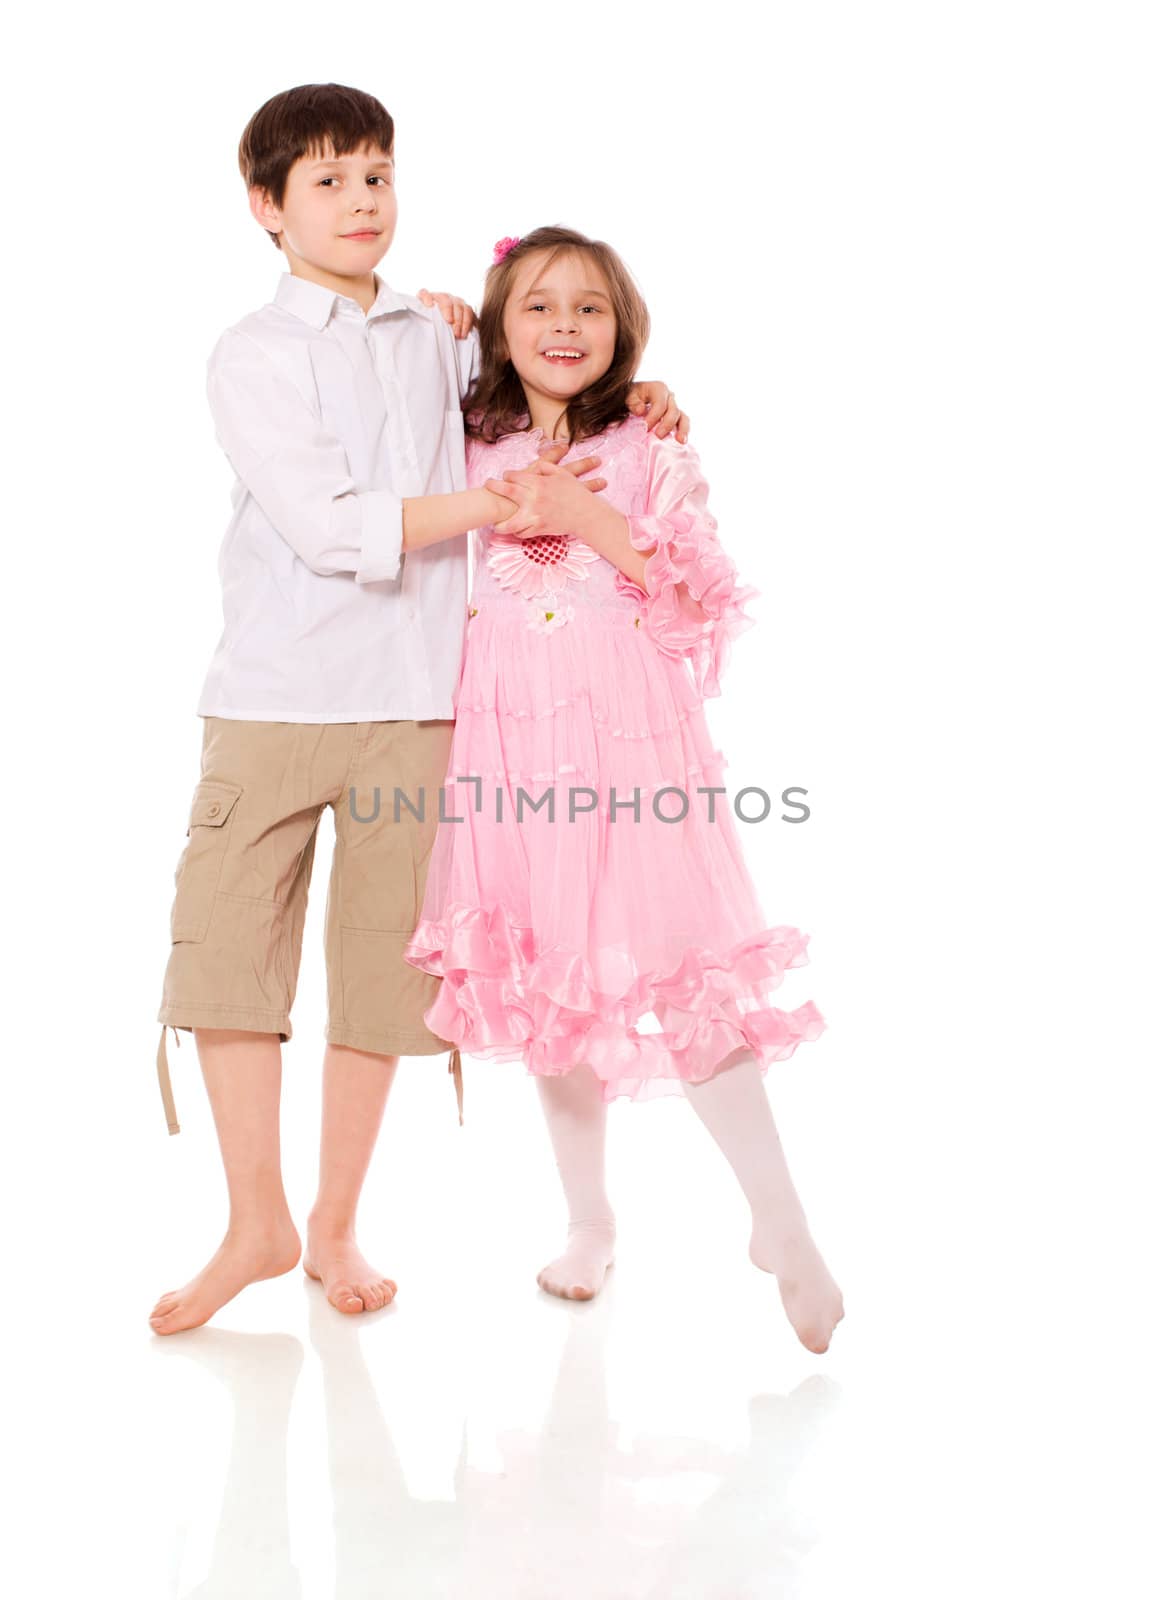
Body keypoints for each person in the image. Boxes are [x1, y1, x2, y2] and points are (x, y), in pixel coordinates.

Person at [149, 89, 684, 1336]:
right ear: (266, 207)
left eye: (378, 176)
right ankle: (254, 1222)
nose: (361, 201)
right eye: (329, 182)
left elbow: (553, 390)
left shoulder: (444, 337)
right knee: (229, 962)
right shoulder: (253, 353)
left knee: (385, 983)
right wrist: (488, 514)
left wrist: (649, 398)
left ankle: (332, 1226)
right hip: (274, 698)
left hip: (423, 708)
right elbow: (333, 526)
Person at [402, 227, 844, 1353]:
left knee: (685, 971)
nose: (563, 326)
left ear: (623, 328)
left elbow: (699, 594)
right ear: (502, 326)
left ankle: (781, 1218)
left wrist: (590, 515)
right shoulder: (463, 436)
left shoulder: (649, 441)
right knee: (552, 983)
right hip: (506, 747)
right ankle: (589, 1217)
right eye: (538, 306)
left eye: (589, 308)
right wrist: (432, 318)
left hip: (631, 745)